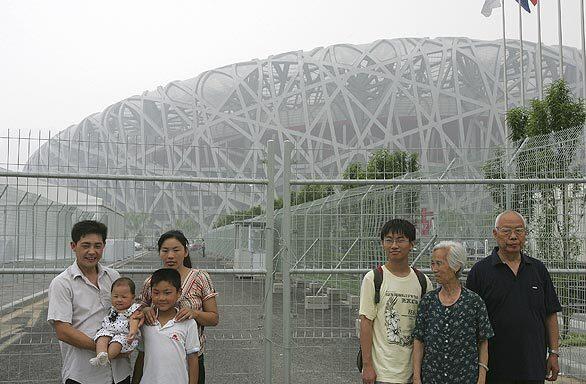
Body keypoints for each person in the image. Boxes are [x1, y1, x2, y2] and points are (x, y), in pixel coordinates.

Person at [466, 210, 562, 383]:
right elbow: (471, 323)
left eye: (519, 231)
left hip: (533, 365)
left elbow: (550, 314)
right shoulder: (480, 272)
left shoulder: (538, 270)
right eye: (506, 231)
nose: (513, 236)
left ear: (525, 234)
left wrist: (553, 353)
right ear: (495, 234)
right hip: (493, 367)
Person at [47, 220, 131, 384]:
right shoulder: (62, 283)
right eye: (86, 245)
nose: (92, 251)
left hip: (119, 373)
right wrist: (105, 350)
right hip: (83, 375)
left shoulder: (113, 276)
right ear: (73, 246)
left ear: (104, 246)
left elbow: (125, 311)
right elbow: (63, 330)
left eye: (97, 246)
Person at [138, 230, 218, 384]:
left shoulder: (200, 278)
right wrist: (145, 310)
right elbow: (137, 310)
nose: (170, 256)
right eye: (165, 250)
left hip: (193, 356)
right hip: (158, 360)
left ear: (186, 251)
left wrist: (194, 313)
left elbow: (214, 318)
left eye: (176, 250)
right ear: (159, 253)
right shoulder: (151, 282)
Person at [359, 218, 432, 384]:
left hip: (413, 373)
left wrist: (419, 373)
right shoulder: (374, 278)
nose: (394, 245)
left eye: (400, 240)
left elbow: (426, 326)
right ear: (382, 243)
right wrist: (367, 365)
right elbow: (366, 322)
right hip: (382, 373)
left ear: (412, 244)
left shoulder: (423, 281)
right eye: (389, 240)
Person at [413, 241, 494, 384]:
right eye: (432, 264)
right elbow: (419, 340)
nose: (434, 269)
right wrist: (417, 378)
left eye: (439, 263)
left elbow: (483, 341)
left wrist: (482, 378)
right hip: (432, 379)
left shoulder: (474, 302)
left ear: (456, 266)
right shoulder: (428, 301)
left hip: (465, 378)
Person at [132, 268, 200, 384]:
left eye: (167, 293)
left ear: (179, 293)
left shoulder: (188, 323)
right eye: (156, 292)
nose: (162, 298)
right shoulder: (146, 322)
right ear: (151, 292)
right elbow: (142, 355)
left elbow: (193, 359)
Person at [90, 277, 141, 367]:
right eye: (115, 296)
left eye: (124, 297)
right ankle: (101, 355)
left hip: (123, 334)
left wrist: (132, 332)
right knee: (101, 338)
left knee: (116, 344)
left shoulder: (132, 309)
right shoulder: (113, 308)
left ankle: (107, 358)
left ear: (133, 297)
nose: (119, 300)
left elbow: (134, 320)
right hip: (108, 330)